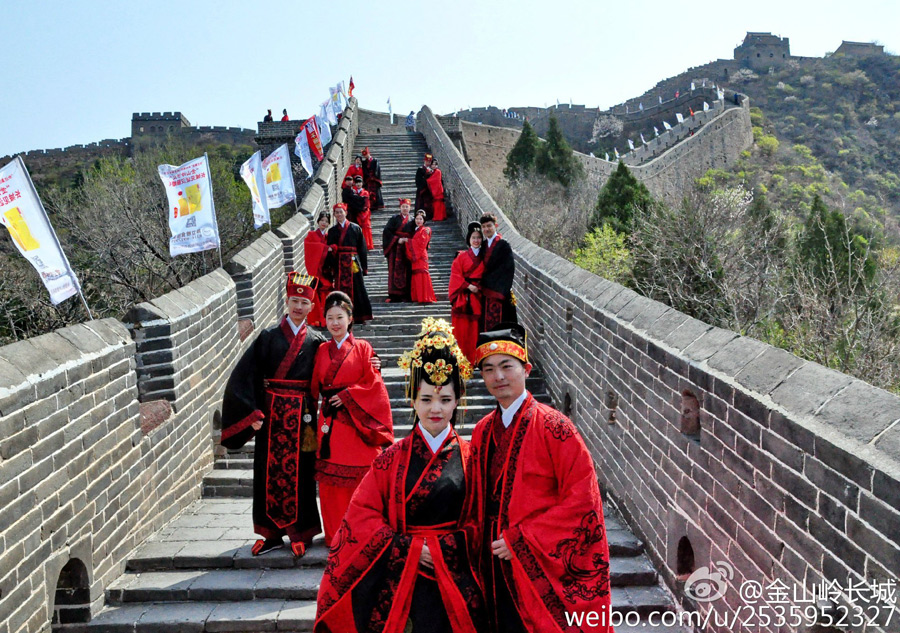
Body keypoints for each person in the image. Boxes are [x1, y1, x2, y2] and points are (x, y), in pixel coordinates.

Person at [315, 319, 486, 633]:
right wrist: (409, 549)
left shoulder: (472, 457)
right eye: (426, 399)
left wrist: (442, 549)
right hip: (402, 573)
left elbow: (482, 521)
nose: (436, 409)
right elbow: (361, 516)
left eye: (446, 400)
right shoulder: (391, 459)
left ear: (457, 402)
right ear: (412, 400)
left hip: (456, 573)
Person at [464, 324, 613, 632]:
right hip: (491, 560)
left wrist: (521, 539)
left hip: (535, 560)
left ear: (526, 369)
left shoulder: (554, 426)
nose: (499, 377)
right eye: (488, 369)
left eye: (507, 366)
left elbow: (583, 501)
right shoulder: (482, 431)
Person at [220, 273, 325, 558]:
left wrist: (370, 364)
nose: (299, 307)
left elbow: (332, 373)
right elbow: (245, 375)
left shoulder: (317, 341)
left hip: (303, 418)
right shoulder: (268, 336)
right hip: (271, 416)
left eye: (305, 302)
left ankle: (300, 532)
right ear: (286, 301)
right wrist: (250, 412)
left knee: (301, 472)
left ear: (313, 306)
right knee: (268, 471)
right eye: (294, 300)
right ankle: (270, 534)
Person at [311, 291, 393, 546]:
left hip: (357, 425)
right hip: (329, 426)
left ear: (350, 319)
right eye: (330, 318)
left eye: (340, 317)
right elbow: (313, 385)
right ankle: (336, 534)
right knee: (331, 486)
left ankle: (364, 531)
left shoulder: (364, 348)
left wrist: (348, 396)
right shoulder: (321, 349)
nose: (335, 323)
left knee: (364, 478)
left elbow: (374, 384)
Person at [323, 203, 373, 323]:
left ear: (346, 212)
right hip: (339, 263)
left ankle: (359, 316)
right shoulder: (332, 231)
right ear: (334, 215)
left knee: (357, 288)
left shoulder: (356, 228)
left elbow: (362, 249)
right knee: (341, 290)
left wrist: (364, 267)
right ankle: (342, 315)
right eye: (337, 212)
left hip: (353, 262)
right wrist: (329, 267)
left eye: (341, 212)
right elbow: (329, 250)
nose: (339, 214)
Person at [448, 222, 484, 363]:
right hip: (464, 295)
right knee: (462, 329)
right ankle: (461, 358)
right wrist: (468, 286)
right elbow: (455, 275)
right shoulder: (461, 257)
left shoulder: (485, 257)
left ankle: (476, 358)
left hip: (479, 295)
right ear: (469, 239)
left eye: (479, 238)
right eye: (473, 237)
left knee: (476, 328)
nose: (476, 240)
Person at [479, 213, 517, 330]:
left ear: (496, 225)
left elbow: (508, 269)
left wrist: (498, 289)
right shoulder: (483, 245)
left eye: (489, 226)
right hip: (485, 295)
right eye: (484, 227)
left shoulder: (503, 245)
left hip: (500, 294)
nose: (486, 229)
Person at [381, 198, 414, 303]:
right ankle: (394, 295)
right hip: (395, 248)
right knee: (394, 270)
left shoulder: (412, 220)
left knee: (407, 270)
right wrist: (396, 239)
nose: (405, 208)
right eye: (403, 206)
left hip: (407, 248)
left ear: (410, 208)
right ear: (400, 208)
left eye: (407, 207)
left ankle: (407, 294)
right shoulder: (394, 218)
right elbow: (387, 231)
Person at [304, 212, 332, 327]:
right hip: (316, 270)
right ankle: (317, 319)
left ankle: (325, 318)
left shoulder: (327, 237)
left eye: (326, 221)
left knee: (326, 292)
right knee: (317, 293)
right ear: (318, 221)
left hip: (325, 269)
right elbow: (309, 248)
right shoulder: (311, 235)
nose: (324, 223)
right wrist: (325, 248)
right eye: (322, 221)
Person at [406, 210, 436, 303]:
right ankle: (418, 296)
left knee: (422, 274)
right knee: (416, 275)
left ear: (424, 220)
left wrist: (407, 241)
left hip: (421, 255)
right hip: (417, 255)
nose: (418, 220)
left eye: (420, 219)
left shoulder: (426, 230)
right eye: (417, 219)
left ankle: (425, 297)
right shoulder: (416, 230)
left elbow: (422, 243)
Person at [345, 175, 374, 251]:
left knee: (365, 228)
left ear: (362, 183)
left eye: (359, 182)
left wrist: (363, 211)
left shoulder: (365, 192)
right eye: (356, 182)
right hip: (355, 213)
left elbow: (367, 204)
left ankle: (367, 244)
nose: (358, 184)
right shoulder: (353, 192)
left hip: (364, 213)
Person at [361, 147, 384, 212]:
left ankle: (376, 205)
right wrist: (368, 176)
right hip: (368, 179)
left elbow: (377, 169)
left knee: (375, 192)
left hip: (374, 179)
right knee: (368, 192)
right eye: (364, 155)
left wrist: (375, 176)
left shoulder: (375, 160)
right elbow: (364, 170)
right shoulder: (364, 162)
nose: (366, 156)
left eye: (366, 154)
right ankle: (370, 205)